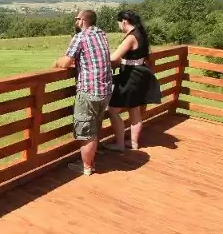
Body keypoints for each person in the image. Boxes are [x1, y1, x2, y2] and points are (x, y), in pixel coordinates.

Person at [53, 9, 112, 176]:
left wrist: (56, 62)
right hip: (105, 90)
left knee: (86, 133)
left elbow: (65, 62)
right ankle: (90, 162)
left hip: (89, 90)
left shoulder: (81, 36)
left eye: (76, 18)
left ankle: (86, 167)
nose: (75, 21)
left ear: (82, 21)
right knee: (94, 129)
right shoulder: (101, 34)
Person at [104, 10, 160, 151]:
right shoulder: (140, 33)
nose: (118, 26)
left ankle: (120, 144)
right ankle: (133, 143)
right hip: (140, 73)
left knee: (112, 111)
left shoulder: (130, 37)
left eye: (118, 23)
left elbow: (113, 57)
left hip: (131, 76)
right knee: (134, 110)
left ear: (124, 21)